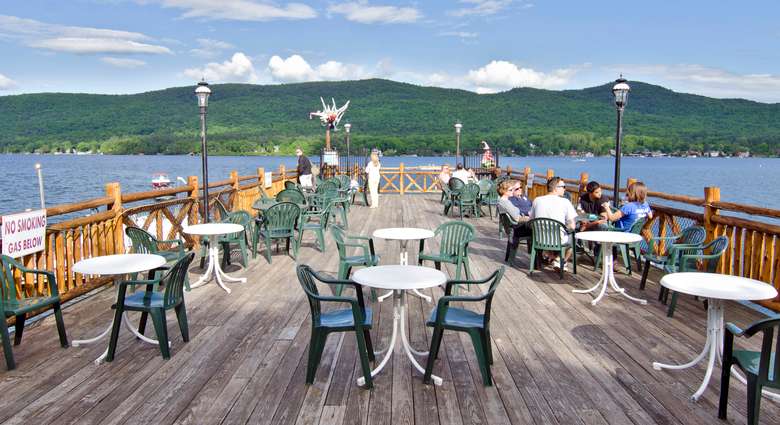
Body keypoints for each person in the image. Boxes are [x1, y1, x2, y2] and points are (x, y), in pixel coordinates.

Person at [529, 176, 577, 270]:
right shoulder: (565, 202)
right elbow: (572, 226)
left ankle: (551, 255)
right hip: (558, 240)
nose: (565, 189)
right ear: (556, 188)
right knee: (573, 237)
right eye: (563, 186)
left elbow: (531, 221)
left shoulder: (537, 200)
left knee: (555, 233)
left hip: (540, 240)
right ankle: (560, 260)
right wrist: (566, 226)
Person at [497, 180, 532, 245]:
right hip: (515, 229)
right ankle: (540, 253)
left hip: (513, 227)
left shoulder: (502, 201)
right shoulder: (506, 203)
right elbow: (517, 218)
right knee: (538, 231)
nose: (512, 191)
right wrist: (531, 218)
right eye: (511, 190)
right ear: (504, 191)